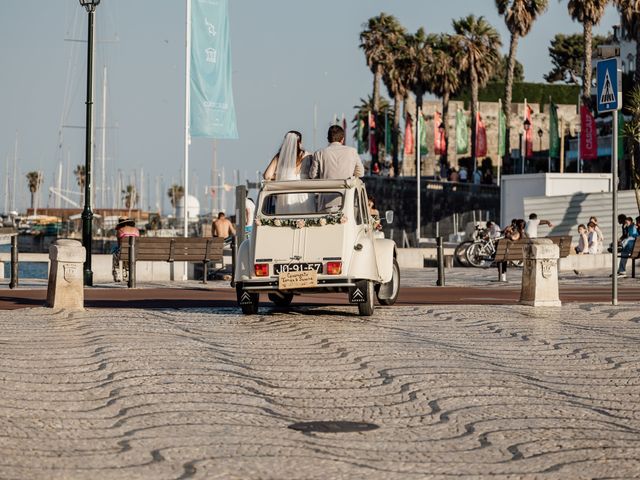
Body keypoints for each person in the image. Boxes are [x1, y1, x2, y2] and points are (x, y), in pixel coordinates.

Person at [264, 131, 314, 214]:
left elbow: (267, 176)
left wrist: (281, 176)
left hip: (286, 193)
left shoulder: (279, 156)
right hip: (304, 193)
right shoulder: (308, 155)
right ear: (300, 142)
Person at [112, 217, 140, 282]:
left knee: (116, 253)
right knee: (127, 253)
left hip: (123, 253)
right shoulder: (136, 230)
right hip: (135, 253)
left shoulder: (120, 230)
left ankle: (117, 272)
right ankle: (126, 274)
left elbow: (119, 245)